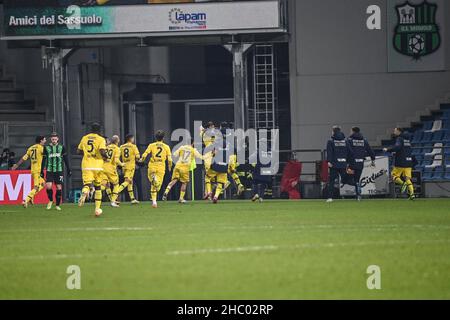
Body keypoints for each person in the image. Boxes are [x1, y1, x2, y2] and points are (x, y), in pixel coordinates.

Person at [77, 123, 108, 217]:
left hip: (87, 165)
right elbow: (102, 150)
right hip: (98, 165)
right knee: (98, 187)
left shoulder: (84, 138)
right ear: (99, 130)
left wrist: (87, 154)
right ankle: (97, 209)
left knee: (87, 184)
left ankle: (84, 193)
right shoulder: (101, 139)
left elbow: (78, 151)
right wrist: (106, 157)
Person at [140, 130, 172, 208]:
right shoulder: (166, 147)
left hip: (152, 165)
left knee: (153, 184)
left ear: (155, 138)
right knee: (158, 186)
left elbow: (145, 154)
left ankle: (154, 202)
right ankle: (156, 182)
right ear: (163, 138)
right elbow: (170, 159)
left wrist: (142, 159)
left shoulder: (151, 145)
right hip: (161, 166)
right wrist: (169, 166)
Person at [11, 136, 47, 208]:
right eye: (44, 139)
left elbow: (24, 158)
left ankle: (31, 197)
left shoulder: (31, 148)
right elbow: (46, 156)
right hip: (37, 170)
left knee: (43, 183)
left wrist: (16, 165)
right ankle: (26, 200)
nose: (45, 140)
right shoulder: (41, 148)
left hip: (33, 170)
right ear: (41, 140)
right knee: (36, 187)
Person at [383, 127, 415, 200]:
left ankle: (403, 184)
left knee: (394, 175)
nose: (394, 132)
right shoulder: (408, 139)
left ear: (399, 131)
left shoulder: (399, 139)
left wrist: (388, 149)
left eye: (395, 130)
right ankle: (412, 194)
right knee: (407, 178)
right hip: (409, 161)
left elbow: (397, 147)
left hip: (400, 161)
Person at [43, 132, 72, 211]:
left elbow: (65, 159)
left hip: (59, 171)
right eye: (53, 139)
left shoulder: (61, 147)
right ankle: (51, 200)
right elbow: (44, 159)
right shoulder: (46, 148)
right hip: (49, 170)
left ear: (58, 139)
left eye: (55, 139)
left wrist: (69, 169)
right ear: (51, 139)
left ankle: (57, 205)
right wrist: (42, 170)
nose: (54, 140)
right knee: (48, 186)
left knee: (59, 187)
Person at [346, 127, 376, 201]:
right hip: (360, 163)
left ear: (352, 131)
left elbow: (347, 151)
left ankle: (357, 187)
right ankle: (358, 195)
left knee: (346, 179)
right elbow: (370, 150)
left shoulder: (349, 140)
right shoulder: (364, 140)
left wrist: (346, 161)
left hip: (352, 163)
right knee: (357, 179)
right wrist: (373, 159)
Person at [326, 126, 352, 203]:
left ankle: (330, 197)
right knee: (346, 179)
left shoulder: (330, 141)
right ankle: (357, 187)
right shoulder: (345, 141)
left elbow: (329, 152)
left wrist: (329, 161)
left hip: (334, 164)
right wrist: (347, 161)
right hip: (343, 164)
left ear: (333, 132)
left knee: (331, 181)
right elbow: (350, 152)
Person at [112, 134, 141, 204]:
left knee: (130, 182)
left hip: (124, 166)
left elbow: (118, 156)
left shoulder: (121, 147)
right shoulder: (133, 146)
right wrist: (139, 159)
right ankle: (115, 193)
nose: (133, 140)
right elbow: (137, 156)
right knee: (127, 181)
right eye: (133, 138)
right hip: (131, 167)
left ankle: (132, 199)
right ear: (131, 139)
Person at [207, 122, 231, 204]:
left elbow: (214, 152)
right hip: (224, 166)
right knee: (220, 182)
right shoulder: (228, 144)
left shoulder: (217, 143)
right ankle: (216, 196)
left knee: (207, 177)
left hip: (216, 164)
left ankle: (209, 192)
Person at [102, 135, 124, 207]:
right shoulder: (117, 149)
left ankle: (91, 190)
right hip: (111, 168)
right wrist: (122, 164)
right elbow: (116, 160)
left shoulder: (106, 147)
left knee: (104, 185)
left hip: (103, 167)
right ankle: (113, 201)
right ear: (118, 141)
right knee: (116, 184)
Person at [200, 121, 217, 200]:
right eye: (212, 126)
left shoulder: (203, 133)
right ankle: (209, 193)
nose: (213, 127)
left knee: (208, 176)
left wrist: (203, 130)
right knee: (211, 176)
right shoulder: (212, 133)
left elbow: (201, 131)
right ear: (210, 127)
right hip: (211, 154)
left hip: (206, 153)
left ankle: (208, 193)